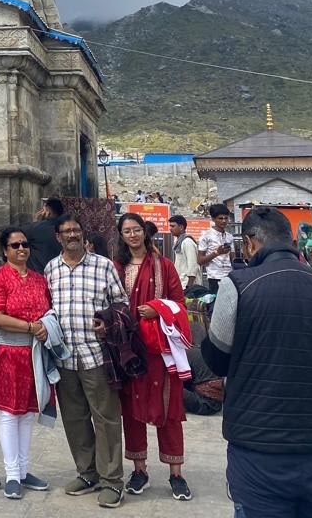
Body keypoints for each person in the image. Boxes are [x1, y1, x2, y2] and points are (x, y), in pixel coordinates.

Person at [202, 206, 312, 518]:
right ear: (292, 241)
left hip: (259, 447)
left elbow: (217, 359)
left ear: (250, 243)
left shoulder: (238, 285)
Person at [44, 213, 128, 508]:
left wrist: (107, 322)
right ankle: (87, 473)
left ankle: (112, 481)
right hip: (65, 358)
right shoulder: (51, 269)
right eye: (66, 231)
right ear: (58, 237)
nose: (72, 235)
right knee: (75, 418)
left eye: (76, 230)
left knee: (105, 418)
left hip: (96, 354)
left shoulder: (103, 266)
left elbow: (122, 303)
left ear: (83, 234)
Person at [114, 213, 192, 501]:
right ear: (121, 236)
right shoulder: (117, 268)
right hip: (129, 349)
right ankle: (139, 469)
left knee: (168, 408)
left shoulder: (164, 266)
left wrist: (157, 309)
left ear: (144, 233)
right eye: (126, 231)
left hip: (160, 350)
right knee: (132, 410)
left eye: (136, 230)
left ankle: (176, 474)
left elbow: (180, 305)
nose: (132, 235)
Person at [0, 227, 52, 500]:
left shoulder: (38, 279)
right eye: (15, 245)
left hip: (35, 354)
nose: (21, 249)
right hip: (9, 352)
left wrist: (44, 327)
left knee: (29, 412)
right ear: (4, 250)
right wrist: (31, 327)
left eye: (24, 244)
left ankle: (23, 470)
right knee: (10, 412)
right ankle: (11, 474)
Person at [196, 204, 233, 295]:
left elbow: (232, 258)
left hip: (229, 275)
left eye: (226, 218)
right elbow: (200, 260)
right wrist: (216, 253)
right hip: (215, 277)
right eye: (220, 218)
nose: (224, 221)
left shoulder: (229, 236)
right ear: (213, 219)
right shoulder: (206, 235)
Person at [23, 197, 65, 274]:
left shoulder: (35, 229)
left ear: (48, 211)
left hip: (40, 275)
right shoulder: (67, 228)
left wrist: (35, 223)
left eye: (43, 210)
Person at [168, 216, 200, 290]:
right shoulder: (178, 241)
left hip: (188, 284)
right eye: (170, 226)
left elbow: (193, 264)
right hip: (181, 283)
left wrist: (189, 287)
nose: (170, 229)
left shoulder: (187, 242)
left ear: (181, 227)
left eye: (173, 226)